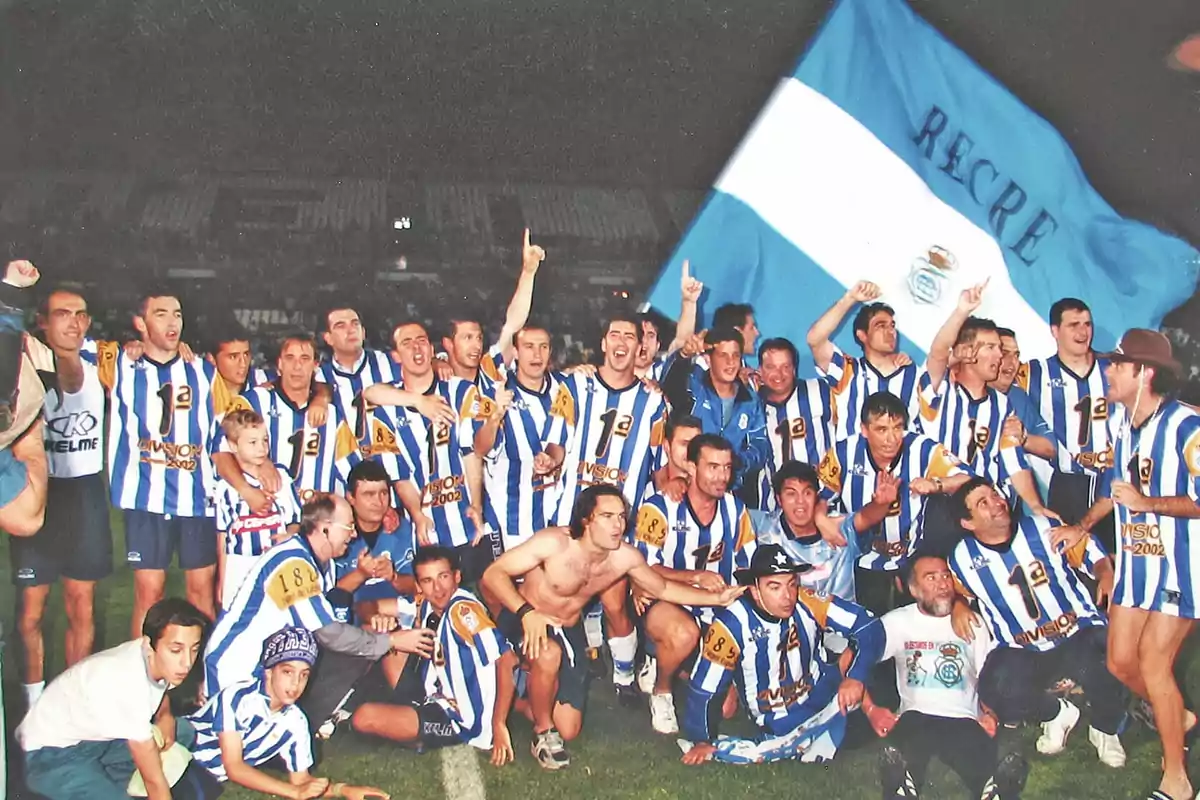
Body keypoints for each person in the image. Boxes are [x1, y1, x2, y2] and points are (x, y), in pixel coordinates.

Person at [481, 485, 744, 770]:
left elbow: (663, 588)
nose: (618, 524)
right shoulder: (554, 543)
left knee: (569, 728)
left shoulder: (623, 557)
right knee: (548, 655)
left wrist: (715, 598)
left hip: (566, 628)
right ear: (586, 520)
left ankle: (520, 701)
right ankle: (542, 733)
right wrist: (525, 613)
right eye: (607, 516)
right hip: (526, 618)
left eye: (621, 516)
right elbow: (493, 573)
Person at [1051, 329, 1200, 800]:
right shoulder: (1121, 423)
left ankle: (1176, 780)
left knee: (1155, 665)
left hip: (1181, 567)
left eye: (1117, 365)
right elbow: (1117, 494)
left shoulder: (1186, 427)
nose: (1108, 372)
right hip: (1137, 567)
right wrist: (1082, 526)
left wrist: (1149, 503)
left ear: (1144, 372)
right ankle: (1181, 715)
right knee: (1119, 662)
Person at [203, 494, 434, 731]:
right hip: (239, 671)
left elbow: (333, 613)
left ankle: (314, 716)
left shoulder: (317, 560)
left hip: (270, 665)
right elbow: (329, 633)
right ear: (325, 530)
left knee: (360, 644)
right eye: (349, 527)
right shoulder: (293, 563)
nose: (353, 534)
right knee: (254, 752)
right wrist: (393, 640)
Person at [948, 478, 1127, 768]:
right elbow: (953, 589)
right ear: (968, 523)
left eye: (994, 494)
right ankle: (1055, 713)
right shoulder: (962, 557)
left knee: (1105, 652)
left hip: (1075, 632)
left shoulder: (1042, 527)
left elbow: (1091, 552)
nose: (997, 502)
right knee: (994, 689)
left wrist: (1105, 573)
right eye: (983, 503)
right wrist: (958, 604)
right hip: (1023, 648)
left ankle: (1105, 728)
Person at [542, 316, 669, 697]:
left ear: (638, 348)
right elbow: (557, 439)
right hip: (574, 514)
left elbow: (658, 463)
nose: (622, 342)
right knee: (562, 592)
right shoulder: (574, 384)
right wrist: (550, 459)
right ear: (603, 343)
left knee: (615, 602)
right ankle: (563, 666)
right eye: (615, 334)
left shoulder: (654, 401)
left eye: (630, 337)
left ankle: (625, 676)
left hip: (617, 524)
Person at [679, 543, 884, 765]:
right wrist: (700, 739)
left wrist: (856, 676)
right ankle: (821, 734)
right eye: (774, 587)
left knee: (860, 653)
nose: (787, 596)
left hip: (821, 689)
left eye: (791, 584)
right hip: (779, 717)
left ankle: (830, 729)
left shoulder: (807, 600)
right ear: (755, 591)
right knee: (828, 738)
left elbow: (869, 626)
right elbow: (705, 687)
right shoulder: (731, 624)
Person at [103, 288, 225, 635]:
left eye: (177, 314)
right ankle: (145, 685)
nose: (173, 323)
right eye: (161, 314)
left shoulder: (203, 370)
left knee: (201, 595)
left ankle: (205, 683)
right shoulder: (120, 365)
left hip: (197, 499)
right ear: (140, 323)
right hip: (145, 501)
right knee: (148, 594)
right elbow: (67, 348)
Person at [13, 287, 111, 708]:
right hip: (39, 494)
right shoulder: (20, 357)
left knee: (81, 606)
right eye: (62, 314)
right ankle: (34, 705)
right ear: (42, 321)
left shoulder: (108, 359)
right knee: (32, 611)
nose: (73, 322)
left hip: (85, 494)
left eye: (81, 315)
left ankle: (72, 705)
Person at [871, 553, 1028, 800]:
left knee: (975, 753)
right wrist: (871, 710)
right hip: (916, 714)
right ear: (914, 589)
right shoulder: (899, 621)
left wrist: (990, 714)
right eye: (931, 578)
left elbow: (986, 675)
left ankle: (996, 789)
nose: (943, 583)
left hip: (962, 717)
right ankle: (901, 786)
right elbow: (855, 656)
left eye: (946, 575)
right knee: (906, 751)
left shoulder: (972, 622)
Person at [17, 598, 208, 800]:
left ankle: (99, 785)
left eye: (194, 649)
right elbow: (155, 783)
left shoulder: (155, 658)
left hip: (94, 740)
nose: (187, 662)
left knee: (181, 732)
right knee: (152, 771)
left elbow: (160, 690)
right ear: (149, 645)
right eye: (176, 650)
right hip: (47, 757)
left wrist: (165, 716)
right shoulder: (128, 685)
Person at [634, 434, 758, 734]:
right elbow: (644, 568)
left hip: (714, 609)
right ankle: (662, 690)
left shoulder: (734, 509)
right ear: (691, 467)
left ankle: (678, 665)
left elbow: (748, 562)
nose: (722, 476)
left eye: (727, 468)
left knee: (727, 709)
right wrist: (695, 577)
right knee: (683, 633)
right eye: (712, 467)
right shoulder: (658, 507)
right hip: (667, 603)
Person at [351, 547, 519, 766]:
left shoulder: (463, 611)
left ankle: (415, 736)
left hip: (461, 719)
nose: (438, 588)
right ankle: (410, 717)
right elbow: (364, 606)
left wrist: (499, 724)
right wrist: (375, 616)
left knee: (364, 717)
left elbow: (507, 660)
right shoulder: (426, 605)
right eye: (428, 581)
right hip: (437, 693)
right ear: (419, 587)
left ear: (457, 577)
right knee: (384, 633)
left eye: (444, 577)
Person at [358, 321, 493, 581]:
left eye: (421, 340)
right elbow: (399, 476)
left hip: (467, 522)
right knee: (435, 607)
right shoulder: (385, 410)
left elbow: (471, 454)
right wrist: (418, 515)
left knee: (484, 601)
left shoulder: (460, 391)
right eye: (406, 343)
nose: (416, 348)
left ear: (432, 349)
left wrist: (476, 505)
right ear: (396, 356)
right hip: (428, 529)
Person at [190, 626, 390, 799]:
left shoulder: (296, 721)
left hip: (206, 778)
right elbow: (234, 767)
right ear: (269, 671)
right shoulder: (238, 697)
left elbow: (301, 780)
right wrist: (294, 793)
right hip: (182, 753)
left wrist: (344, 790)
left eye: (303, 675)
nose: (296, 684)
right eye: (287, 672)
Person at [816, 391, 970, 613]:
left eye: (897, 428)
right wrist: (821, 518)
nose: (891, 439)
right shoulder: (844, 452)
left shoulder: (923, 449)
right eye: (881, 429)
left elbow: (970, 479)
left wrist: (937, 484)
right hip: (862, 561)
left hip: (912, 557)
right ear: (864, 430)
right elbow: (819, 495)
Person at [919, 314, 1052, 522]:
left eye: (999, 348)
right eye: (991, 347)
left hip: (987, 512)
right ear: (967, 352)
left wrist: (1036, 506)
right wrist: (962, 309)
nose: (999, 355)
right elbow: (937, 356)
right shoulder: (940, 393)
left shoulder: (1003, 404)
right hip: (940, 507)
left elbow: (1013, 461)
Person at [214, 332, 358, 505]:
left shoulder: (332, 416)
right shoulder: (252, 402)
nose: (297, 366)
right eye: (290, 358)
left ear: (315, 366)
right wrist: (249, 485)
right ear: (280, 364)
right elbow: (220, 451)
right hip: (264, 517)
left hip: (315, 522)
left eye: (304, 358)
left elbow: (353, 471)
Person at [1019, 298, 1116, 550]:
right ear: (1055, 331)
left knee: (1117, 562)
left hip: (1113, 481)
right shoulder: (1033, 374)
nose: (1083, 332)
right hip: (1068, 484)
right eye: (1074, 325)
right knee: (1070, 558)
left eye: (1087, 324)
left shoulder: (1115, 367)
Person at [472, 324, 567, 552]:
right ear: (515, 352)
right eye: (529, 347)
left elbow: (566, 440)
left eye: (543, 347)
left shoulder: (566, 388)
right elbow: (480, 449)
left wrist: (552, 459)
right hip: (512, 514)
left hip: (555, 510)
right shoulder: (497, 390)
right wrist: (495, 416)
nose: (537, 354)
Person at [662, 327, 770, 499]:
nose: (731, 362)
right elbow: (668, 382)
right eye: (723, 355)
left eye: (735, 355)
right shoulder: (693, 388)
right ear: (708, 359)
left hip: (731, 494)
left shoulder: (750, 400)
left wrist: (733, 464)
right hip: (686, 490)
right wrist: (684, 354)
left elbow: (760, 445)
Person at [212, 408, 303, 609]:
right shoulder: (226, 487)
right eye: (252, 443)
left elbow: (296, 521)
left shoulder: (282, 479)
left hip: (277, 561)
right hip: (241, 564)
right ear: (233, 445)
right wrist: (222, 578)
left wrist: (289, 534)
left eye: (265, 441)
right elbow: (223, 536)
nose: (261, 448)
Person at [806, 280, 921, 439]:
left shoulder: (914, 373)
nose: (890, 332)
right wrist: (850, 298)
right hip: (854, 462)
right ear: (862, 335)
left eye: (892, 326)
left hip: (900, 462)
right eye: (880, 326)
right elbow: (815, 339)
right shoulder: (848, 370)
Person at [441, 227, 543, 389]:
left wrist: (528, 273)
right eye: (468, 338)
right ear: (448, 344)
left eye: (479, 338)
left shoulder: (489, 369)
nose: (477, 345)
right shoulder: (435, 380)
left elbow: (512, 325)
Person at [753, 460, 860, 602]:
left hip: (843, 620)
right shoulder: (762, 525)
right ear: (779, 499)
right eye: (791, 494)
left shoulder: (837, 525)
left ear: (816, 496)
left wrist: (881, 503)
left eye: (807, 493)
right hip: (789, 621)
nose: (800, 501)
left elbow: (865, 518)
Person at [757, 337, 835, 510]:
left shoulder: (819, 391)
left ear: (794, 369)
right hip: (775, 509)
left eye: (786, 367)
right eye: (771, 367)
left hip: (825, 502)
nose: (779, 374)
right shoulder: (752, 405)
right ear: (760, 371)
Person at [333, 459, 416, 621]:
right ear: (351, 497)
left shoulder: (402, 529)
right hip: (352, 625)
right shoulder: (339, 533)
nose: (378, 502)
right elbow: (329, 595)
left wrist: (393, 576)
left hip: (399, 618)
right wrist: (361, 574)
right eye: (369, 494)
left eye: (383, 493)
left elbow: (418, 585)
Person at [316, 303, 401, 443]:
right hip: (345, 461)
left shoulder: (389, 362)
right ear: (328, 338)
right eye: (341, 326)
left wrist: (438, 362)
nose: (350, 330)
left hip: (392, 459)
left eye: (355, 324)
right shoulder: (319, 376)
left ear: (363, 332)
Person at [990, 327, 1057, 463]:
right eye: (1004, 353)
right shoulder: (962, 394)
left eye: (1016, 355)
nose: (1012, 362)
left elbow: (1051, 447)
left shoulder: (1018, 397)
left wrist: (1023, 437)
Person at [634, 260, 702, 382]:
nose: (644, 341)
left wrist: (689, 302)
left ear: (657, 345)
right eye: (639, 335)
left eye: (651, 335)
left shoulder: (664, 371)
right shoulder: (608, 376)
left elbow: (682, 340)